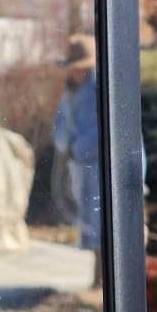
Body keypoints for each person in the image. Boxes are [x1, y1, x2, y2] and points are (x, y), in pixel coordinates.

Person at [53, 34, 102, 287]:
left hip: (102, 168)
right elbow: (60, 125)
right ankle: (97, 280)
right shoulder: (69, 94)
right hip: (81, 168)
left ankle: (103, 281)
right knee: (90, 224)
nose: (76, 73)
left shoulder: (101, 91)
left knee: (105, 223)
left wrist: (79, 147)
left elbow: (104, 131)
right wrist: (65, 144)